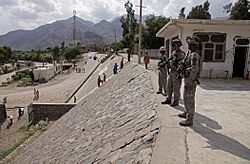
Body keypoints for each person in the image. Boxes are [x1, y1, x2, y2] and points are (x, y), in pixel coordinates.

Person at [178, 36, 202, 126]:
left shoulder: (194, 55)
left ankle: (189, 119)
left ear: (194, 45)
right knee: (186, 98)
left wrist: (190, 81)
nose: (188, 45)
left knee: (190, 99)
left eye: (190, 44)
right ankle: (186, 112)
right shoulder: (190, 53)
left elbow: (194, 69)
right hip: (188, 79)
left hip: (191, 81)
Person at [162, 39, 185, 106]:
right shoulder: (173, 52)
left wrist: (176, 62)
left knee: (176, 87)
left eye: (174, 45)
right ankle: (168, 99)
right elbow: (170, 59)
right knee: (169, 86)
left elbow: (182, 64)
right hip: (172, 71)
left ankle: (176, 101)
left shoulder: (181, 54)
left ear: (178, 45)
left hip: (177, 73)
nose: (173, 47)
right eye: (172, 45)